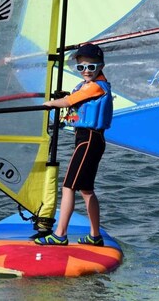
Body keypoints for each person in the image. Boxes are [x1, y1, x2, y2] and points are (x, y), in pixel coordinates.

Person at [34, 43, 113, 246]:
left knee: (68, 186)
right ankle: (95, 236)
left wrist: (51, 103)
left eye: (91, 67)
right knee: (86, 190)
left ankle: (60, 235)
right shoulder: (85, 86)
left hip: (88, 140)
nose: (86, 71)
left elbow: (69, 102)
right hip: (88, 140)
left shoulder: (96, 86)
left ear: (101, 66)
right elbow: (74, 110)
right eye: (81, 67)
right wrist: (61, 110)